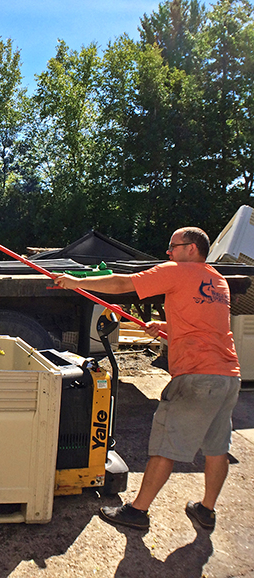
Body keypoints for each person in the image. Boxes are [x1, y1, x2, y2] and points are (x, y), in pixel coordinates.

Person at [55, 227, 240, 531]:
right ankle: (207, 510)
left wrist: (77, 281)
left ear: (191, 248)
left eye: (173, 246)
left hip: (196, 376)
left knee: (165, 445)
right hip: (227, 375)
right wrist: (167, 328)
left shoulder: (178, 271)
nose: (168, 253)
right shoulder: (217, 281)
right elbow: (205, 325)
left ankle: (138, 512)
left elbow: (123, 282)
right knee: (217, 447)